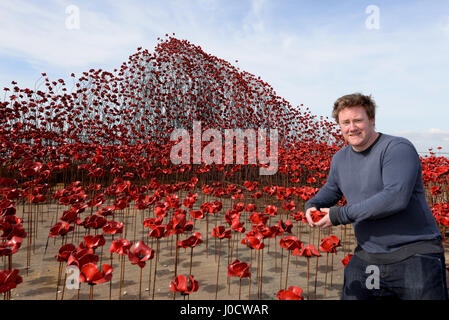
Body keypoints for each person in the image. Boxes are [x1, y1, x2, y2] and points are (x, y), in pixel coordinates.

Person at [305, 93, 448, 300]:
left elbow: (395, 197)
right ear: (339, 125)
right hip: (369, 256)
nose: (351, 127)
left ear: (371, 120)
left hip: (413, 254)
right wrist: (313, 204)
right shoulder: (340, 158)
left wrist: (339, 215)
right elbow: (331, 189)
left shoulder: (396, 148)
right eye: (345, 122)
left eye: (358, 120)